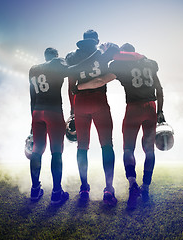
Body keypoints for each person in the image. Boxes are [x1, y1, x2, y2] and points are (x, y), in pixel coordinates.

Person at [78, 43, 166, 209]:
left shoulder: (121, 65)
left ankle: (133, 183)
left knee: (128, 149)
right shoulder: (149, 63)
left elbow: (100, 80)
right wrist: (160, 110)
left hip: (133, 108)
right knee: (149, 150)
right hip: (151, 107)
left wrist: (80, 86)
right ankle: (146, 187)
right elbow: (159, 90)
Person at [65, 30, 119, 206]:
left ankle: (84, 188)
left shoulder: (72, 57)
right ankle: (108, 188)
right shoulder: (102, 53)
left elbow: (70, 86)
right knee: (106, 144)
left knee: (82, 147)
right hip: (99, 101)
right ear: (96, 41)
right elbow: (117, 50)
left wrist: (72, 111)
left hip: (80, 103)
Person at [29, 47, 69, 205]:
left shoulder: (33, 69)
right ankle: (57, 192)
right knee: (56, 152)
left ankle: (34, 190)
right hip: (53, 112)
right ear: (55, 56)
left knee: (36, 151)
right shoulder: (57, 63)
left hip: (37, 112)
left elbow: (32, 96)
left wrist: (31, 122)